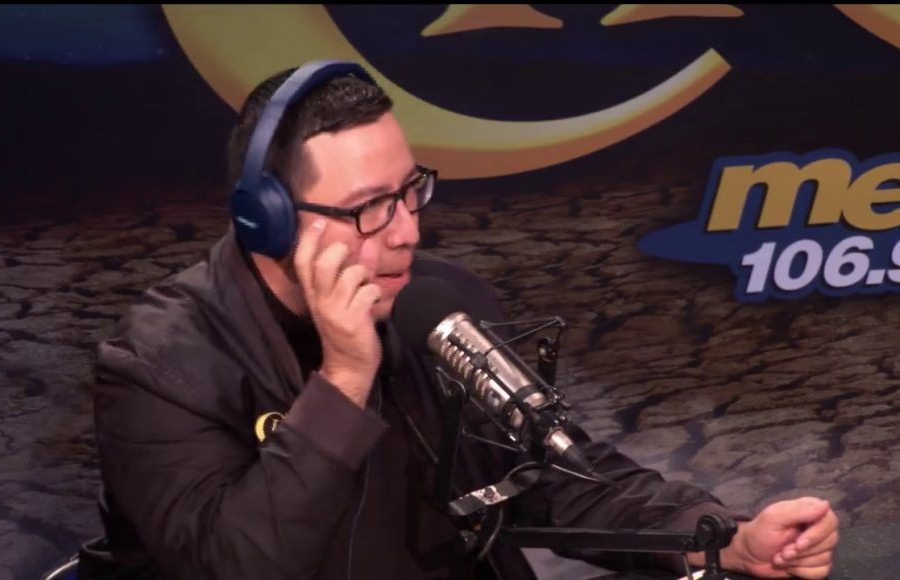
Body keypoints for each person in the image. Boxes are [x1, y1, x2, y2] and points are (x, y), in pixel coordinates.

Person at [77, 60, 838, 579]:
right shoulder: (159, 366)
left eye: (410, 191)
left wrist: (721, 538)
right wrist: (343, 380)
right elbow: (236, 564)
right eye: (370, 208)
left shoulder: (436, 301)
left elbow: (550, 474)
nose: (407, 230)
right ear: (267, 220)